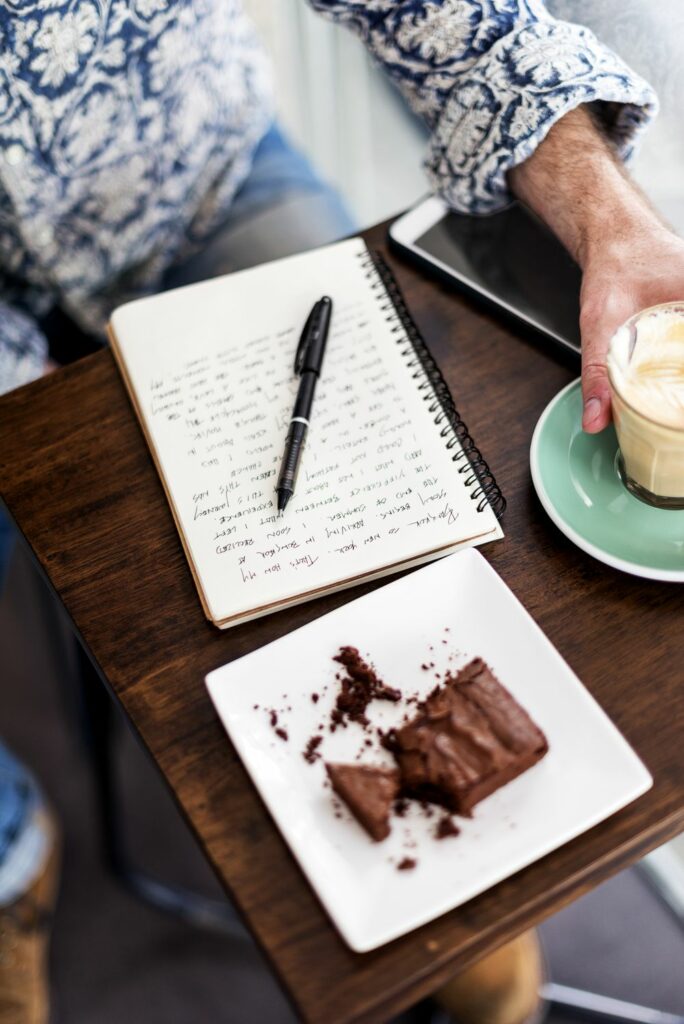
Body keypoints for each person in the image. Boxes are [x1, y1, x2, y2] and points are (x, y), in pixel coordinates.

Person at [1, 3, 682, 1023]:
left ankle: (462, 898)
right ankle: (12, 854)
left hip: (202, 170)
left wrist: (615, 216)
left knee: (389, 514)